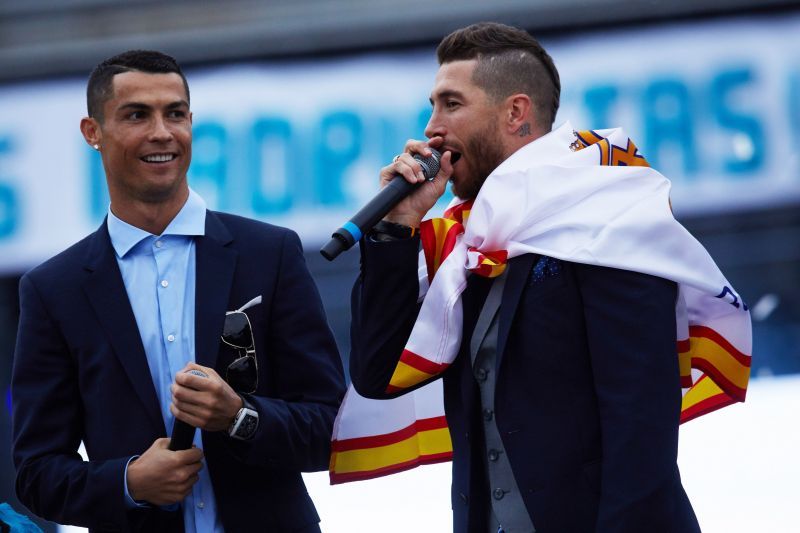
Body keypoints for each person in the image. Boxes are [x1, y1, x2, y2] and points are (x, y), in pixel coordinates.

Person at [343, 22, 751, 532]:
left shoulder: (609, 214)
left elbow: (639, 424)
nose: (431, 128)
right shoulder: (468, 242)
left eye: (451, 104)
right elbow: (376, 374)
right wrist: (394, 233)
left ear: (516, 113)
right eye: (432, 106)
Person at [11, 50, 346, 532]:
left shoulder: (268, 254)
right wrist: (128, 483)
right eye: (136, 115)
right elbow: (36, 473)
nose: (161, 133)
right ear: (93, 133)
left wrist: (240, 416)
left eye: (175, 113)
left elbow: (331, 430)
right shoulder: (52, 290)